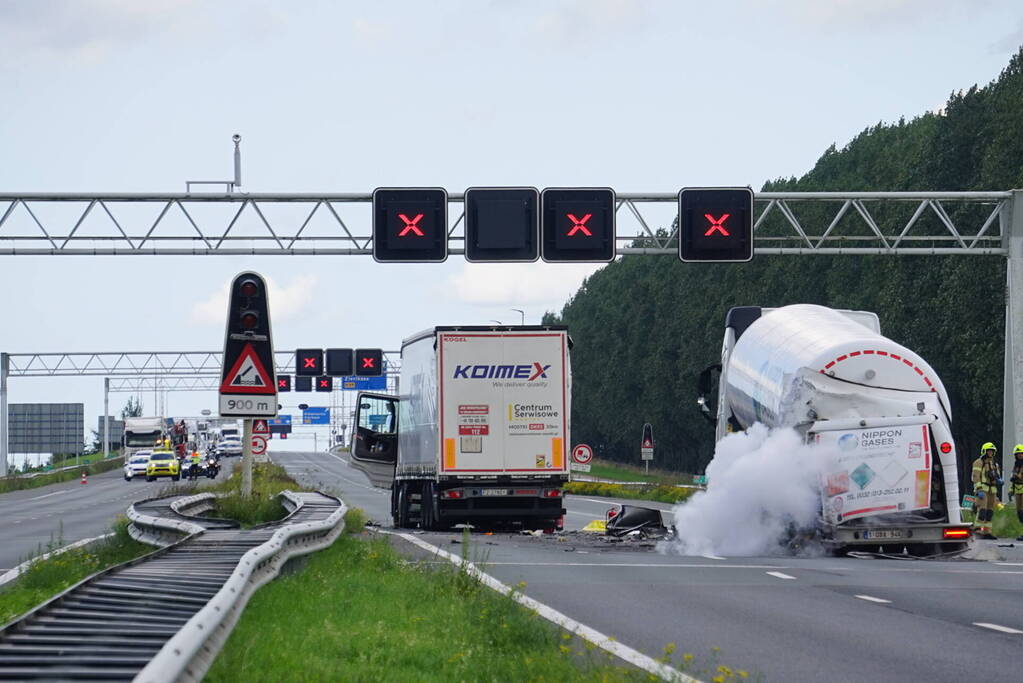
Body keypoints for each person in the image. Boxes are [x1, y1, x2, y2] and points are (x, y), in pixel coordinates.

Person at [972, 442, 1002, 539]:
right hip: (982, 489)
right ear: (984, 451)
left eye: (992, 451)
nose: (990, 453)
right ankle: (977, 530)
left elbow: (997, 475)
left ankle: (987, 532)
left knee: (989, 512)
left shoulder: (995, 464)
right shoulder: (978, 462)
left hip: (992, 490)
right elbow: (975, 476)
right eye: (988, 451)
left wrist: (999, 480)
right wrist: (979, 489)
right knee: (982, 510)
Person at [1010, 445, 1023, 542]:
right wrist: (1010, 490)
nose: (1020, 455)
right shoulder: (1016, 465)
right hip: (1017, 490)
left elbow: (1018, 477)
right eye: (1018, 454)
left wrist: (1018, 476)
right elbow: (1013, 479)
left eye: (1021, 454)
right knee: (1019, 513)